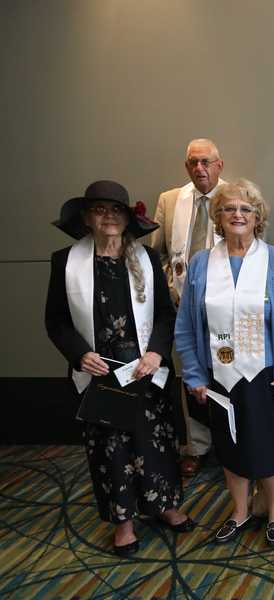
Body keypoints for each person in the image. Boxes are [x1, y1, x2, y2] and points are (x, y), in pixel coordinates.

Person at [46, 180, 194, 557]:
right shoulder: (66, 262)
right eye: (100, 210)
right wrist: (79, 354)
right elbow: (57, 322)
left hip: (144, 369)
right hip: (98, 372)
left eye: (116, 211)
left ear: (128, 219)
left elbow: (165, 313)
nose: (108, 217)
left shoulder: (145, 259)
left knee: (155, 442)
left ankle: (165, 505)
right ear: (86, 218)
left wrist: (158, 353)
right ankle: (124, 522)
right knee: (110, 449)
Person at [175, 179, 274, 547]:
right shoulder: (202, 264)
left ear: (258, 217)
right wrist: (193, 372)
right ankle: (239, 510)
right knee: (229, 445)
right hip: (218, 375)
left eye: (245, 209)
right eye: (229, 209)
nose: (237, 215)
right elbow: (186, 324)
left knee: (268, 443)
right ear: (218, 217)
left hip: (266, 374)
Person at [150, 138, 227, 477]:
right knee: (190, 377)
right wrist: (172, 287)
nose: (200, 168)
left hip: (227, 308)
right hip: (183, 307)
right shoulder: (170, 201)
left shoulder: (235, 197)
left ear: (219, 165)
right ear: (187, 167)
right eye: (194, 163)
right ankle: (195, 446)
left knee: (228, 372)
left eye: (206, 162)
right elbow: (157, 255)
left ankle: (229, 441)